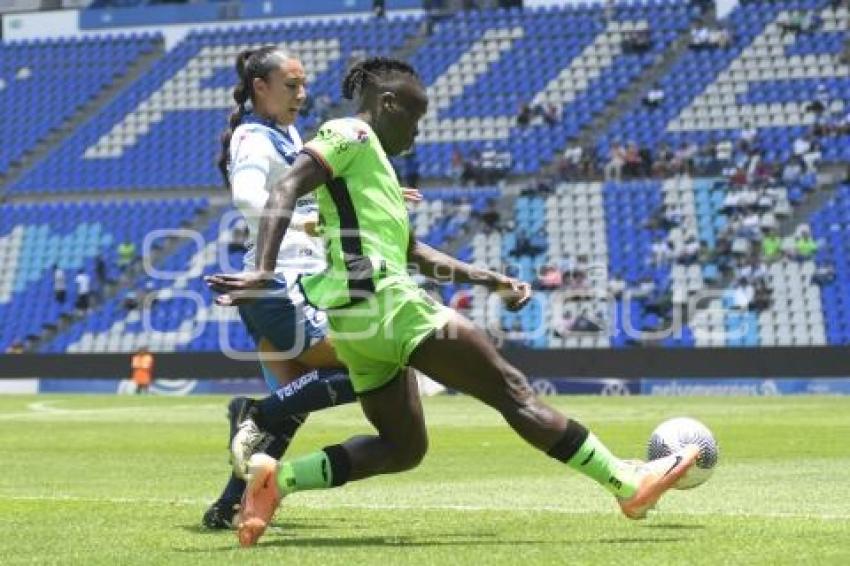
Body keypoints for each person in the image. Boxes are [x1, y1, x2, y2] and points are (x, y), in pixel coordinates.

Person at [206, 57, 698, 547]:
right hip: (387, 303)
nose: (416, 133)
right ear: (387, 101)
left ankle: (277, 481)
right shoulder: (349, 135)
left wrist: (485, 277)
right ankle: (628, 485)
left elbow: (411, 252)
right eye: (413, 118)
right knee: (513, 391)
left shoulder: (369, 164)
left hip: (358, 322)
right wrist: (264, 271)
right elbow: (284, 188)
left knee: (403, 448)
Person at [202, 46, 424, 530]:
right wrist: (307, 222)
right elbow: (247, 197)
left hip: (278, 288)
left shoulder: (284, 133)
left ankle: (228, 505)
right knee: (370, 365)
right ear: (261, 87)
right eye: (291, 85)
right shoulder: (254, 137)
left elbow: (319, 187)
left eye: (303, 85)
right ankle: (252, 411)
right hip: (281, 283)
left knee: (295, 408)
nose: (302, 94)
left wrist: (373, 193)